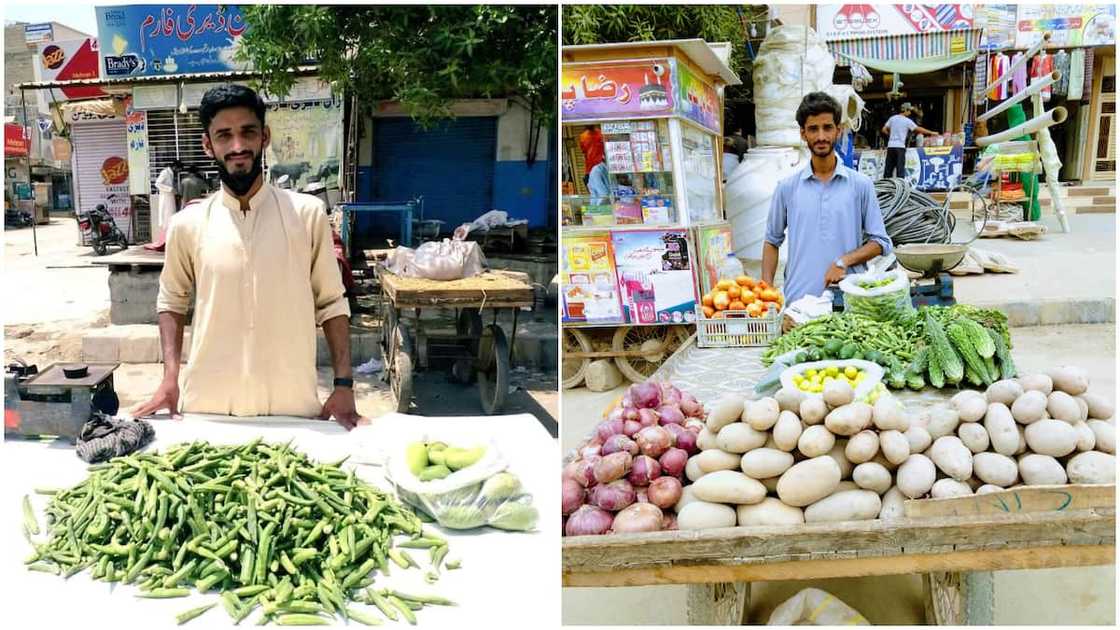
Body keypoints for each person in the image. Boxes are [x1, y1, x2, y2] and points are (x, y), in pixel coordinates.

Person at [131, 84, 365, 430]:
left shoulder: (307, 215)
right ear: (207, 145)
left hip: (293, 407)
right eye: (224, 135)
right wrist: (170, 378)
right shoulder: (187, 224)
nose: (238, 146)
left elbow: (332, 302)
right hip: (207, 410)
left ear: (265, 137)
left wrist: (344, 385)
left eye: (247, 132)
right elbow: (172, 301)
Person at [763, 92, 893, 332]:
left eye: (827, 127)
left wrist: (843, 261)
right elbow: (772, 241)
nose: (821, 136)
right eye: (813, 129)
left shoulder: (860, 185)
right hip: (797, 307)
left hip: (848, 303)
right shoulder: (787, 188)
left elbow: (881, 242)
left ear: (839, 130)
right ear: (803, 133)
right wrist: (767, 293)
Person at [880, 102, 938, 179]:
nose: (910, 113)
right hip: (900, 148)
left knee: (888, 170)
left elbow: (883, 129)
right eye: (909, 111)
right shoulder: (907, 121)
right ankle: (901, 188)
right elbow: (918, 129)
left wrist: (890, 135)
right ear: (906, 110)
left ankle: (886, 187)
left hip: (890, 147)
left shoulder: (892, 118)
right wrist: (931, 132)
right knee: (900, 171)